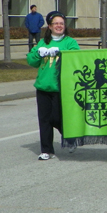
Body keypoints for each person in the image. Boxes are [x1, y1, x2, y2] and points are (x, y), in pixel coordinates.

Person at [27, 11, 79, 160]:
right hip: (43, 86)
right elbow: (31, 61)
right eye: (55, 23)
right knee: (44, 120)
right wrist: (38, 53)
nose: (59, 26)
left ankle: (70, 138)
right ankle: (47, 150)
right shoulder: (43, 42)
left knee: (57, 118)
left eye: (61, 23)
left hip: (61, 88)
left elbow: (76, 59)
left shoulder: (70, 42)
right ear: (49, 26)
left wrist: (61, 52)